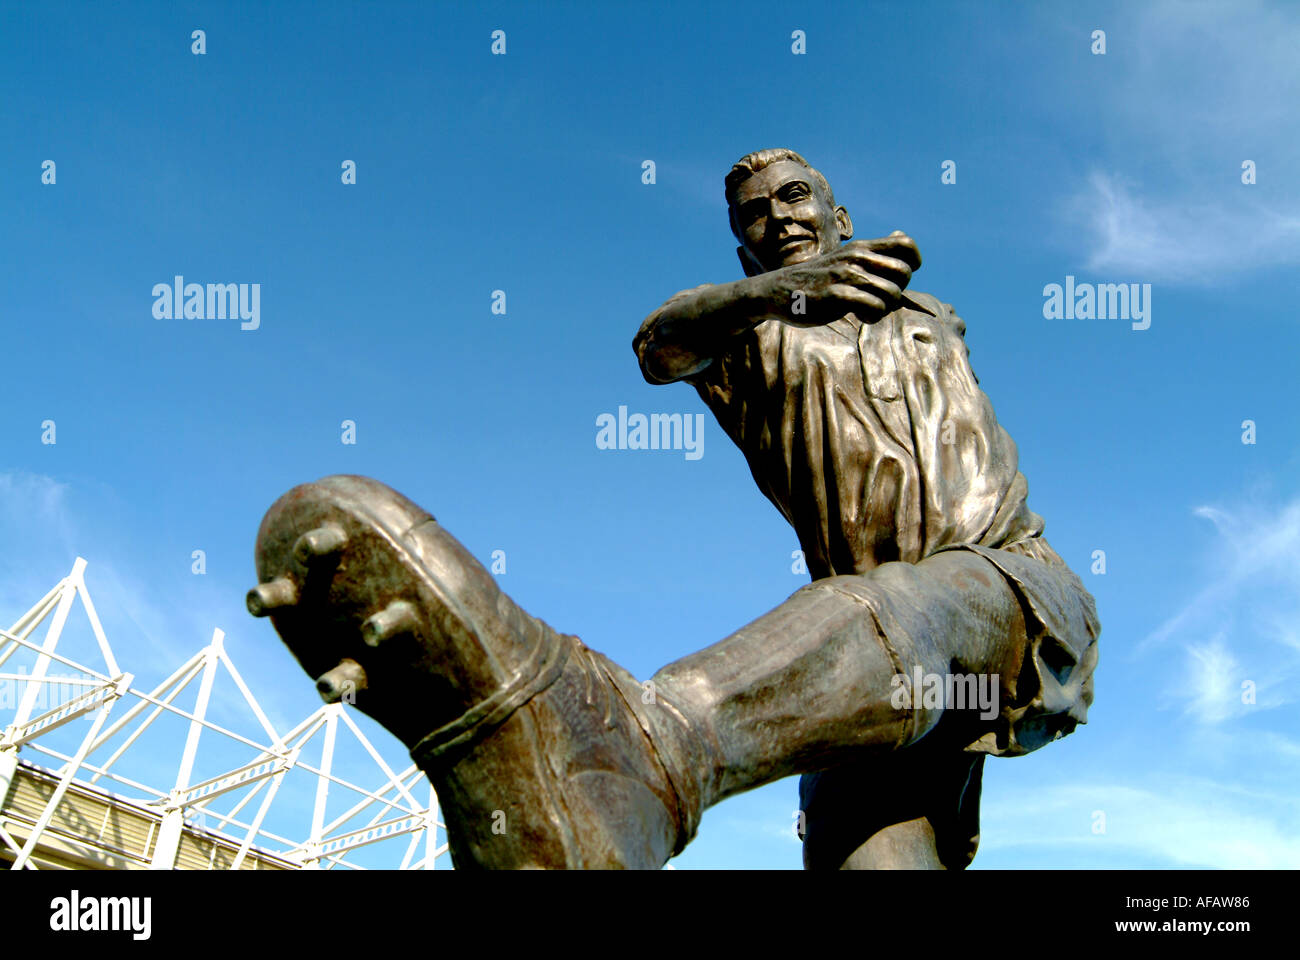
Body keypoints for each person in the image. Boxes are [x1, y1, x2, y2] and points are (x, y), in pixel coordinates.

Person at [248, 148, 1099, 870]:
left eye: (796, 196)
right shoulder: (751, 339)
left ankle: (652, 749)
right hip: (853, 669)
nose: (778, 217)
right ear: (743, 250)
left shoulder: (930, 315)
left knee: (921, 598)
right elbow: (660, 343)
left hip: (1011, 590)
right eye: (754, 214)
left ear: (843, 214)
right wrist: (785, 294)